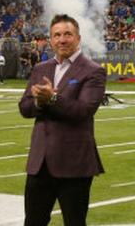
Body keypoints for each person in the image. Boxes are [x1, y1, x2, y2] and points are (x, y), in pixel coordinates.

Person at [19, 14, 106, 226]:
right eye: (56, 35)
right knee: (33, 222)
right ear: (50, 40)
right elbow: (24, 107)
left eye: (67, 34)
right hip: (40, 163)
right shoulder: (41, 69)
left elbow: (83, 111)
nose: (62, 39)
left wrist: (53, 98)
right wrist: (39, 103)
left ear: (78, 38)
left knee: (74, 222)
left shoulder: (93, 71)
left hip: (74, 163)